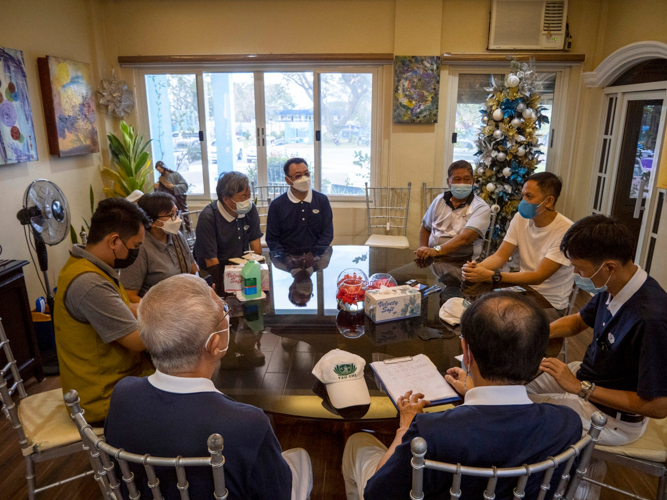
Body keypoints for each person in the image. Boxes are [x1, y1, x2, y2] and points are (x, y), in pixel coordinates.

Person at [343, 291, 582, 500]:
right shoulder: (567, 423)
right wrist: (472, 392)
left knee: (357, 443)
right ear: (539, 355)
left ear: (466, 352)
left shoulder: (430, 432)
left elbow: (378, 493)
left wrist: (405, 427)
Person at [105, 274, 313, 500]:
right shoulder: (249, 424)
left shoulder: (122, 393)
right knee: (300, 457)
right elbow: (276, 493)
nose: (227, 313)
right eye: (224, 308)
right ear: (214, 344)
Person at [527, 215, 667, 446]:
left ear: (609, 266)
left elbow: (658, 406)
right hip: (586, 378)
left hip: (613, 418)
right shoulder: (617, 284)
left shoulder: (651, 320)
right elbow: (578, 322)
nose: (577, 276)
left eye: (580, 269)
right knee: (513, 391)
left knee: (518, 412)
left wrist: (579, 388)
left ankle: (580, 474)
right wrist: (535, 333)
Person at [53, 198, 154, 424]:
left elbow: (125, 309)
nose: (136, 252)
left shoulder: (90, 265)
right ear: (114, 241)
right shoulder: (90, 283)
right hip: (104, 397)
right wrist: (179, 322)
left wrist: (163, 306)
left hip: (122, 380)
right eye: (135, 246)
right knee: (187, 398)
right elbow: (138, 341)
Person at [462, 172, 574, 318]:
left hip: (550, 304)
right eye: (523, 195)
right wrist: (477, 269)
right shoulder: (520, 218)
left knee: (500, 319)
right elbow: (500, 256)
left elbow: (537, 277)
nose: (523, 201)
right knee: (484, 311)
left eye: (529, 196)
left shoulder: (566, 231)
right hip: (524, 291)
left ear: (548, 201)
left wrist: (491, 276)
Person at [120, 192, 198, 302]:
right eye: (170, 216)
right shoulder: (140, 248)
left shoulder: (176, 236)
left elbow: (192, 269)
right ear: (151, 221)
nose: (176, 219)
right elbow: (129, 296)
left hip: (183, 303)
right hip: (159, 311)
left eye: (176, 213)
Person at [194, 171, 263, 294]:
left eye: (249, 195)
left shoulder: (250, 210)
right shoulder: (208, 218)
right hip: (215, 272)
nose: (248, 200)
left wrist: (254, 274)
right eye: (243, 197)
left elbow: (256, 246)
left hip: (241, 268)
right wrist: (222, 291)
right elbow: (211, 261)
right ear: (226, 199)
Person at [415, 160, 491, 259]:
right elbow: (425, 227)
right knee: (396, 274)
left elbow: (465, 239)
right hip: (433, 258)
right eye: (457, 179)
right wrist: (424, 250)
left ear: (472, 181)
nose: (462, 183)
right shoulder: (439, 200)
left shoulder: (481, 207)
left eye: (466, 179)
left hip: (462, 262)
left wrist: (436, 250)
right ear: (448, 182)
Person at [266, 158, 334, 252]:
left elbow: (327, 234)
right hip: (287, 259)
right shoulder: (277, 205)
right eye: (298, 176)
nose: (304, 179)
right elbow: (272, 239)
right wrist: (286, 259)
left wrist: (314, 254)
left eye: (306, 174)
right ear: (288, 180)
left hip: (317, 258)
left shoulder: (322, 200)